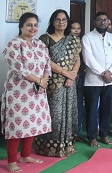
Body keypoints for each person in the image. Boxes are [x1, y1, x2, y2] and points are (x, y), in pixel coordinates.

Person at [2, 13, 51, 172]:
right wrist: (39, 81)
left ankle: (25, 155)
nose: (33, 28)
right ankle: (11, 161)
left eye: (35, 25)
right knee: (17, 125)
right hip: (18, 91)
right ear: (21, 26)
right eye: (29, 25)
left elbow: (47, 65)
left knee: (33, 122)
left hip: (37, 91)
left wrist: (44, 80)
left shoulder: (40, 45)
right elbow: (19, 69)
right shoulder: (14, 45)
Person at [35, 10, 81, 157]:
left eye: (64, 20)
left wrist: (71, 76)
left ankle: (67, 145)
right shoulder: (45, 38)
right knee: (54, 115)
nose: (61, 22)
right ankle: (50, 147)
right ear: (52, 22)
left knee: (69, 113)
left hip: (69, 83)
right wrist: (64, 73)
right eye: (57, 19)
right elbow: (45, 60)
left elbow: (77, 59)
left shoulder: (72, 39)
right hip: (53, 83)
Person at [81, 12, 112, 147]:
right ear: (94, 22)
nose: (103, 22)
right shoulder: (87, 37)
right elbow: (88, 58)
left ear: (108, 21)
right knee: (92, 108)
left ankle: (103, 134)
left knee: (106, 107)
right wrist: (103, 72)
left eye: (105, 20)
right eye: (99, 20)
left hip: (111, 79)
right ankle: (92, 136)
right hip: (93, 80)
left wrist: (110, 72)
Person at [69, 20, 87, 144]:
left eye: (78, 28)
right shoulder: (64, 42)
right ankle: (66, 133)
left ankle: (77, 132)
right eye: (73, 28)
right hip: (66, 78)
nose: (76, 30)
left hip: (80, 78)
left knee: (78, 107)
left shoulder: (83, 43)